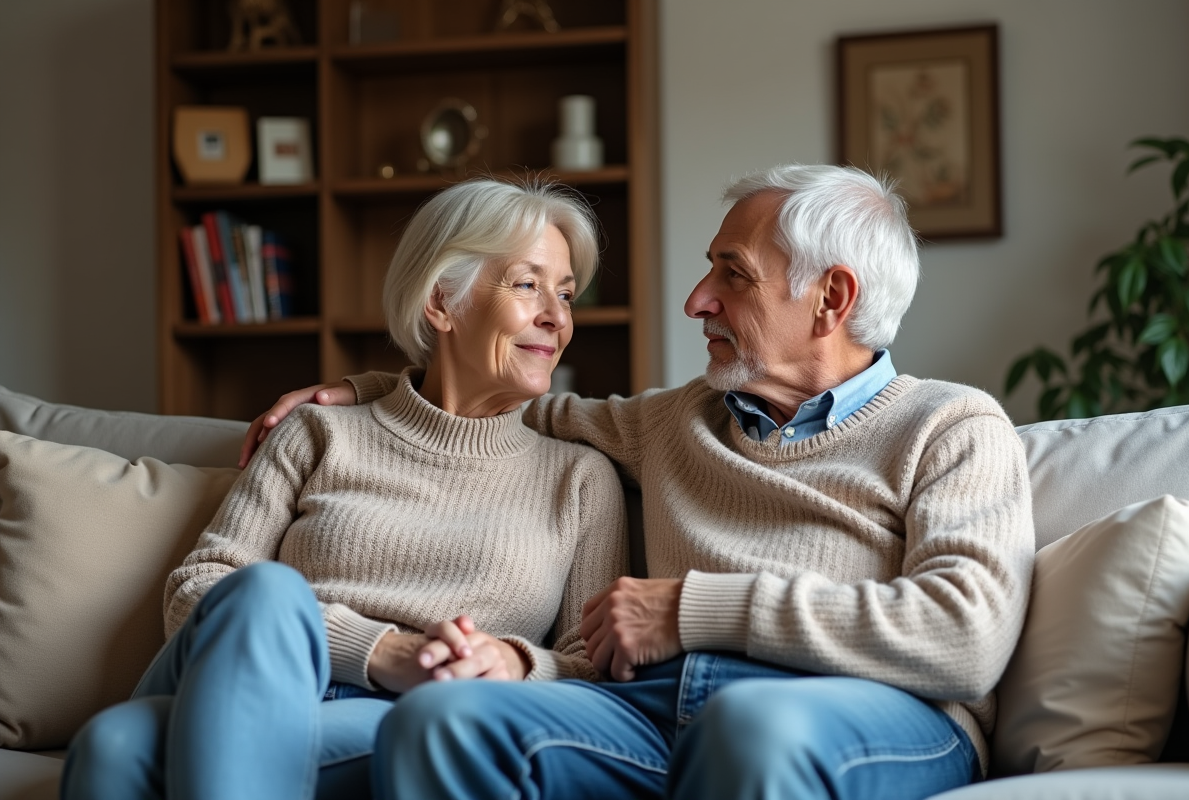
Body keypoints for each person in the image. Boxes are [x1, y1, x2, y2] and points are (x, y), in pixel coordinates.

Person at [244, 163, 1035, 800]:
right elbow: (498, 397)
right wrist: (362, 390)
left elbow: (963, 638)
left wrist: (691, 608)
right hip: (656, 710)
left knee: (753, 730)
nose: (698, 301)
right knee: (447, 719)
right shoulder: (676, 420)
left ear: (831, 298)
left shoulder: (951, 426)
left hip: (877, 716)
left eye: (733, 275)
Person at [60, 178, 628, 800]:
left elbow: (589, 666)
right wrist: (381, 649)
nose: (558, 316)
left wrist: (515, 663)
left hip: (409, 713)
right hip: (252, 675)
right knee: (266, 591)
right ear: (441, 302)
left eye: (566, 294)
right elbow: (197, 590)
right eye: (527, 284)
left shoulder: (579, 478)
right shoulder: (317, 432)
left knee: (113, 746)